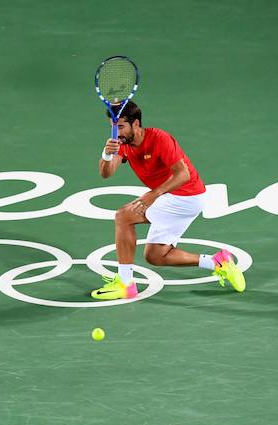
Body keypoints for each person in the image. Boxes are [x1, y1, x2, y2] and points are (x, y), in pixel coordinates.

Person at [91, 102, 246, 300]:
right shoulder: (121, 143)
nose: (116, 132)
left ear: (136, 124)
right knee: (156, 256)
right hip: (173, 197)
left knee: (123, 216)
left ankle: (125, 284)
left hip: (185, 195)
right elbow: (106, 173)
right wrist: (107, 153)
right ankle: (218, 262)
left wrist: (153, 194)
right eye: (112, 127)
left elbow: (184, 174)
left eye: (120, 127)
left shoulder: (159, 139)